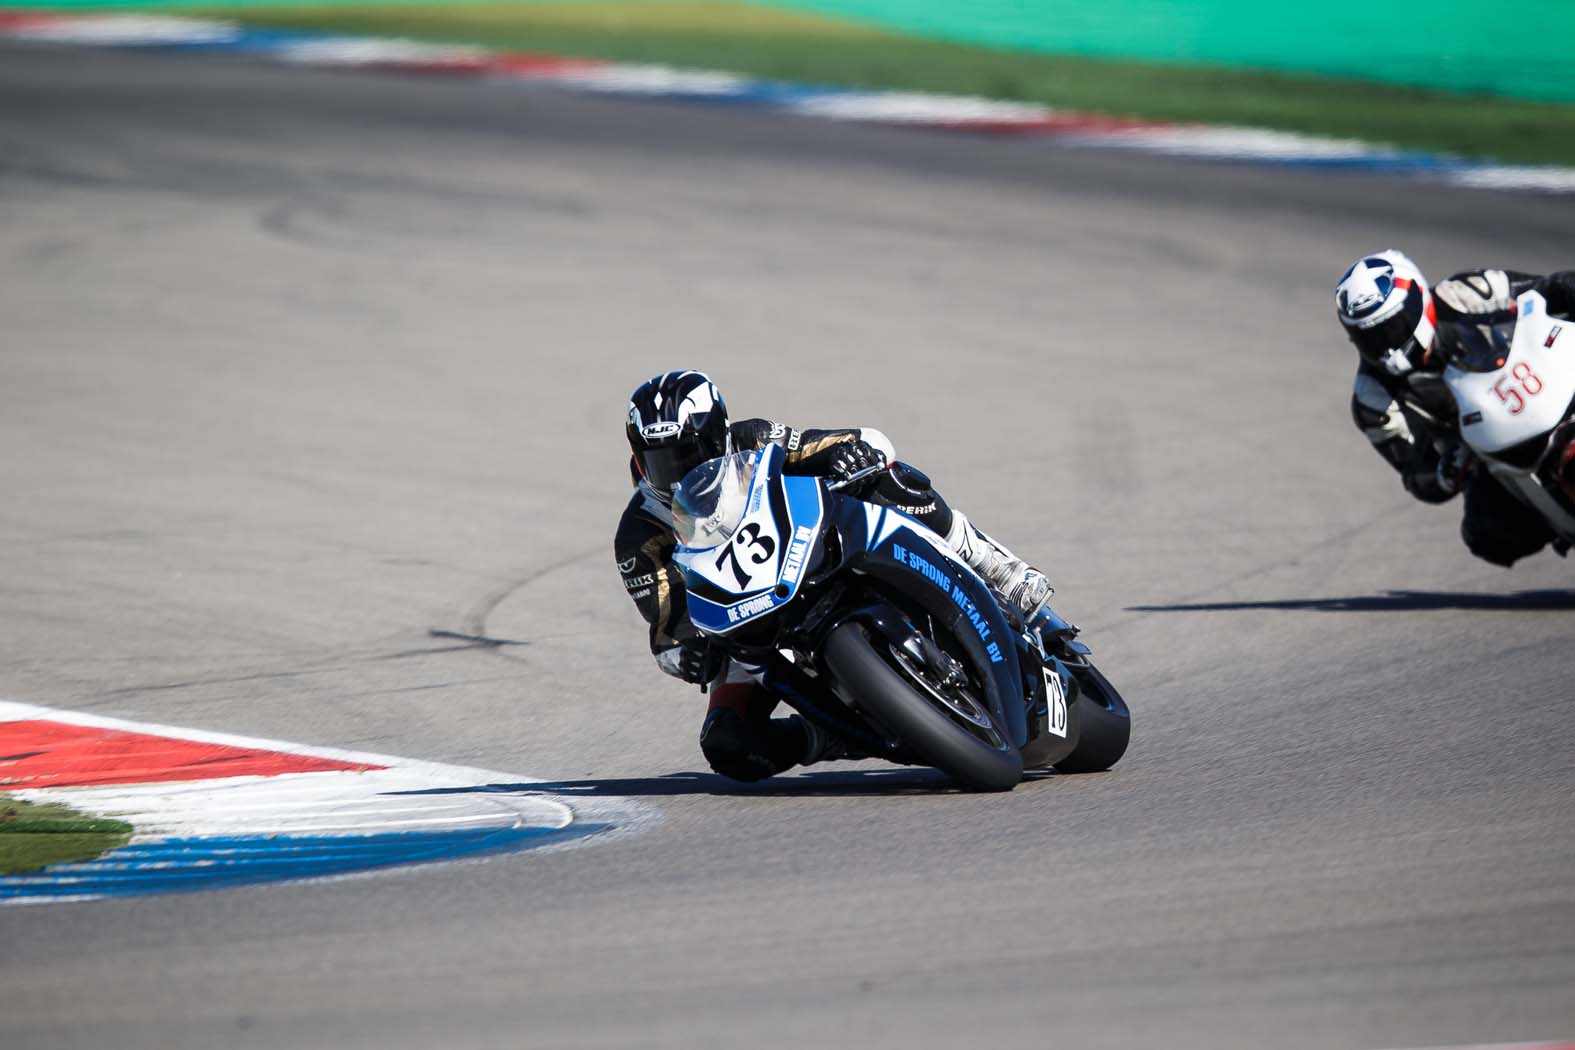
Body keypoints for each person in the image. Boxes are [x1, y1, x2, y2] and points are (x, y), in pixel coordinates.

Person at [614, 369, 1053, 782]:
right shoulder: (638, 537)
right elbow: (667, 627)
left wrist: (853, 454)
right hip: (745, 623)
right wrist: (685, 653)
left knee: (891, 479)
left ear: (718, 436)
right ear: (637, 458)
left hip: (810, 551)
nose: (677, 473)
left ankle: (995, 566)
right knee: (729, 743)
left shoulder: (754, 440)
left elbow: (841, 442)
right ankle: (832, 734)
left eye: (688, 455)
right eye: (660, 462)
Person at [1335, 250, 1575, 566]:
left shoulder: (1464, 292)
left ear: (1417, 302)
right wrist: (1445, 472)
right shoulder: (1372, 399)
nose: (1387, 345)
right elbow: (1414, 474)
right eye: (1370, 337)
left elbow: (1544, 289)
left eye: (1391, 329)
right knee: (1486, 531)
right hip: (1485, 454)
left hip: (1536, 379)